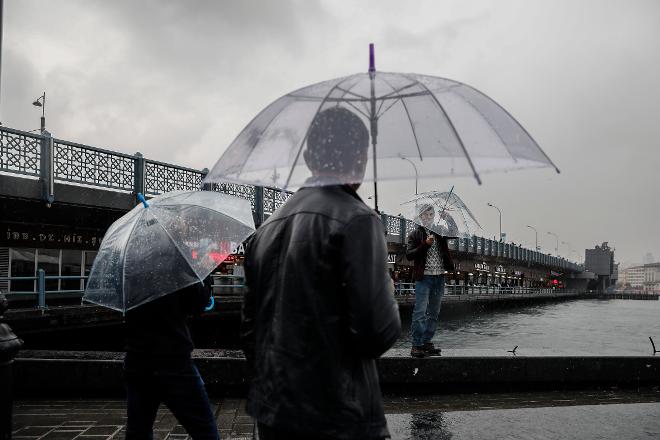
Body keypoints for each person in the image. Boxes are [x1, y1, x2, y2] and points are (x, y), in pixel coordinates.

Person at [241, 106, 401, 440]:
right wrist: (385, 285)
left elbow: (250, 333)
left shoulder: (266, 229)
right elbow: (377, 333)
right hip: (338, 416)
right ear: (359, 157)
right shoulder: (358, 220)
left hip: (274, 412)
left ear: (311, 158)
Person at [123, 277, 219, 440]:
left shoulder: (129, 270)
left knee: (138, 431)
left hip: (138, 360)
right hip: (174, 361)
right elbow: (199, 304)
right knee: (204, 429)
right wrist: (205, 278)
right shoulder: (176, 265)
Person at [406, 205, 456, 358]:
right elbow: (409, 255)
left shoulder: (440, 232)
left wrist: (448, 218)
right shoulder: (415, 234)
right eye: (425, 215)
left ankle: (426, 342)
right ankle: (416, 345)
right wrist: (425, 244)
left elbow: (454, 233)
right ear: (420, 217)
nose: (428, 217)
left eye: (431, 214)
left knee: (434, 313)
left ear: (434, 215)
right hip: (424, 278)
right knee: (420, 312)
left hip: (439, 277)